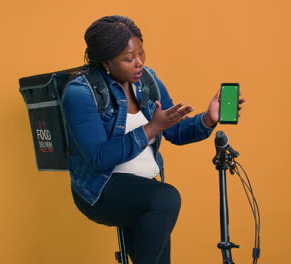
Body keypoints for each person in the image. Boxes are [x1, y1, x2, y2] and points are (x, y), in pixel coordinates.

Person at [62, 15, 245, 264]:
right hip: (100, 190)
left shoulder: (146, 80)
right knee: (166, 198)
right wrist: (152, 127)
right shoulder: (79, 93)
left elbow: (175, 132)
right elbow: (99, 157)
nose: (138, 63)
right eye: (128, 59)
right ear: (106, 61)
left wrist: (207, 119)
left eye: (141, 53)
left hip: (144, 190)